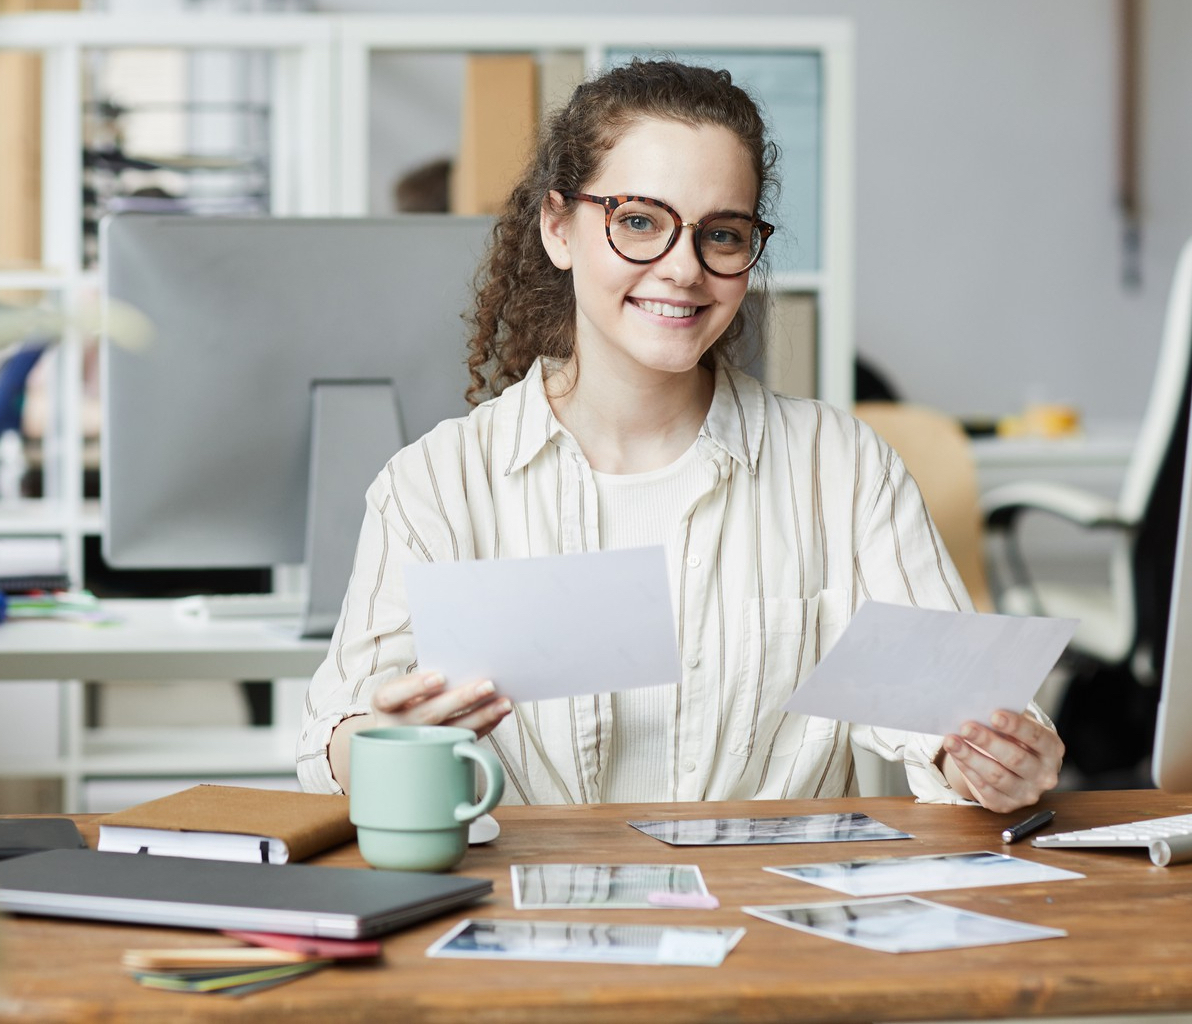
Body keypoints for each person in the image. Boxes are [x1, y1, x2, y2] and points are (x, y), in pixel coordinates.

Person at [296, 60, 1064, 813]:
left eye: (721, 235)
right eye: (638, 222)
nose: (682, 269)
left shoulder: (842, 467)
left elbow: (960, 716)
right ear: (558, 228)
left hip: (774, 921)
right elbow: (330, 737)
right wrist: (376, 741)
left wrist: (996, 760)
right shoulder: (435, 481)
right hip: (531, 913)